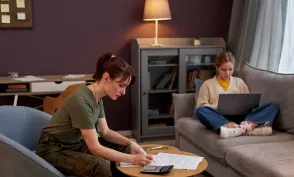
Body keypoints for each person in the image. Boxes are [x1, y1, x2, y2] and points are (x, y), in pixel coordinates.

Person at [36, 52, 153, 177]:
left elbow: (105, 132)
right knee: (101, 165)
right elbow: (95, 149)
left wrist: (129, 142)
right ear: (106, 78)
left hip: (76, 144)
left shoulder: (97, 97)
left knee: (126, 149)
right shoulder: (81, 101)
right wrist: (133, 160)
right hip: (53, 150)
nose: (123, 92)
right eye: (121, 86)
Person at [195, 51, 279, 139]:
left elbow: (248, 103)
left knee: (272, 107)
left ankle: (238, 130)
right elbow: (201, 105)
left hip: (241, 118)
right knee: (200, 111)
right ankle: (245, 129)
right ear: (217, 67)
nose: (227, 73)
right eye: (224, 70)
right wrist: (218, 106)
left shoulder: (239, 82)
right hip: (220, 118)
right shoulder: (207, 84)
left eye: (230, 69)